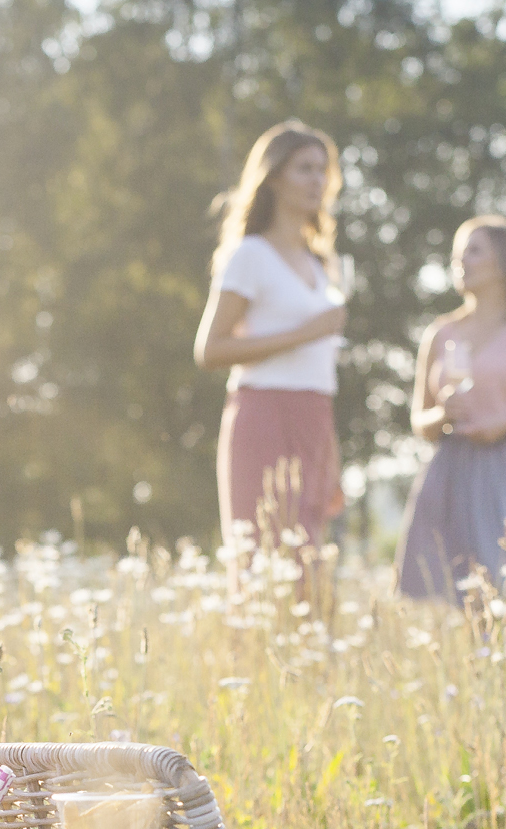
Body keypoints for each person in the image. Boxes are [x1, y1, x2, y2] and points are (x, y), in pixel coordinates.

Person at [394, 215, 506, 602]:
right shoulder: (440, 333)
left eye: (473, 250)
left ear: (504, 260)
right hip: (454, 468)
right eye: (457, 253)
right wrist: (444, 413)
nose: (460, 260)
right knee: (464, 592)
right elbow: (420, 422)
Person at [193, 121, 347, 564]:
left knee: (312, 561)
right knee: (266, 559)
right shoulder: (251, 255)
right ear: (274, 178)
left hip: (315, 416)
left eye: (322, 170)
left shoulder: (322, 264)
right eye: (304, 169)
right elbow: (210, 350)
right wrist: (303, 334)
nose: (317, 180)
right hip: (264, 413)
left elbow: (321, 369)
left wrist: (331, 453)